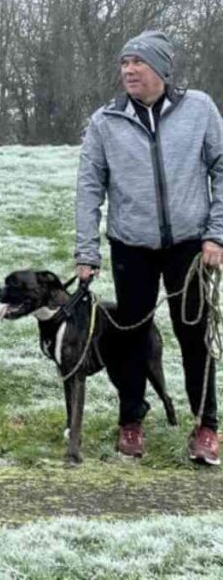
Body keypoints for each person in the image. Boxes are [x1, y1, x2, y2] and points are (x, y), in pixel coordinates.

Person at [75, 30, 223, 465]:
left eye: (138, 62)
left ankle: (207, 426)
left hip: (189, 246)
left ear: (161, 68)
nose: (129, 70)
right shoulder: (106, 121)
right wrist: (86, 252)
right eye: (124, 63)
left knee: (194, 334)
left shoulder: (199, 109)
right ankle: (131, 421)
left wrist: (216, 233)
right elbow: (88, 188)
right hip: (130, 245)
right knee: (131, 334)